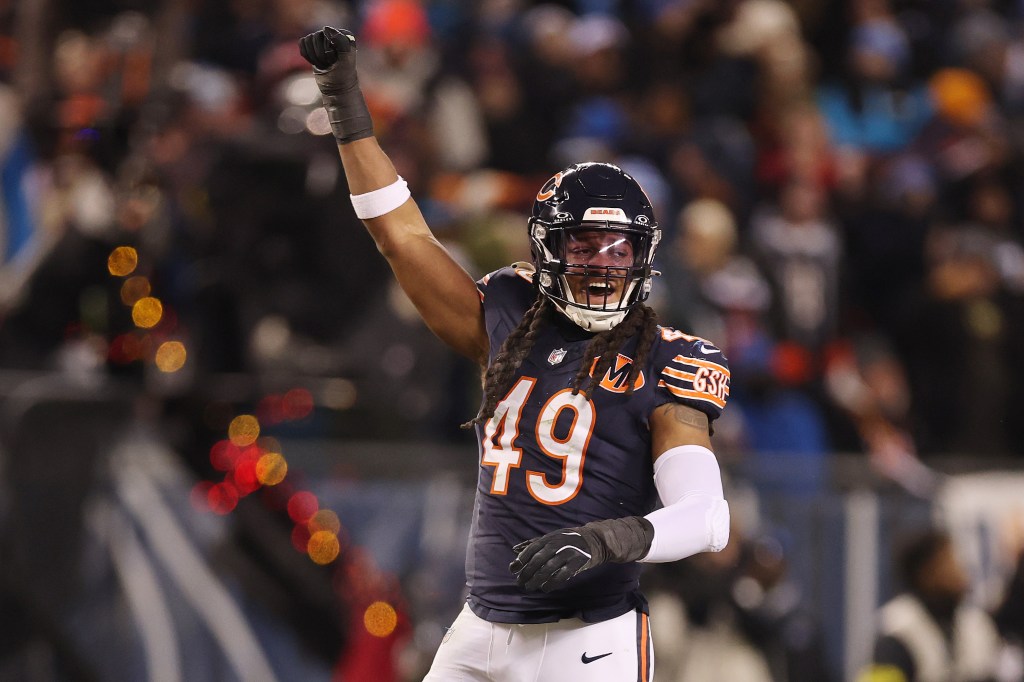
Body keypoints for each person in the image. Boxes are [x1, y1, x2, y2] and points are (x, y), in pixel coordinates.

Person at [299, 26, 732, 680]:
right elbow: (401, 236)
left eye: (619, 250)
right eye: (584, 246)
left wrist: (609, 537)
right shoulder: (507, 313)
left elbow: (707, 517)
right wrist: (344, 106)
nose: (602, 266)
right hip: (481, 628)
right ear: (547, 249)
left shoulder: (667, 359)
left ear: (644, 258)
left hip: (590, 641)